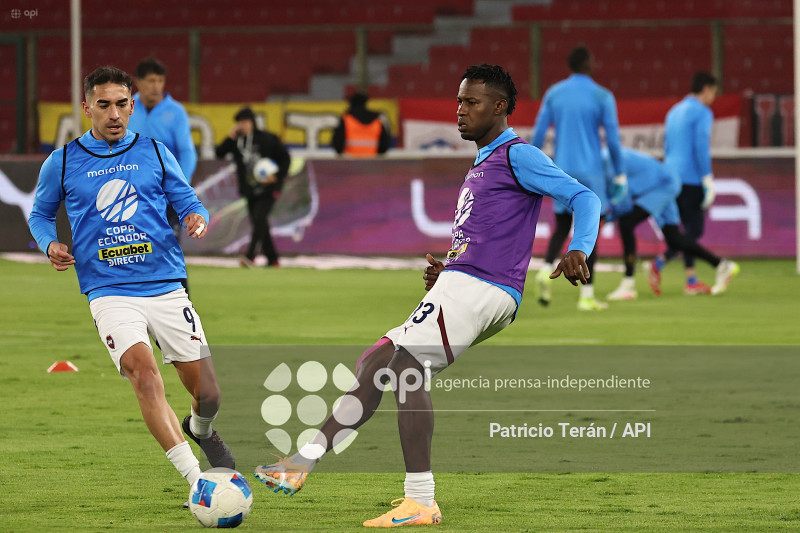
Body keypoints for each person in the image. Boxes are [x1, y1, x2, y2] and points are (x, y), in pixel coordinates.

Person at [254, 64, 601, 527]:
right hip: (468, 281)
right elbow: (489, 230)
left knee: (407, 369)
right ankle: (302, 463)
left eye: (471, 102)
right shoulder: (484, 161)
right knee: (376, 362)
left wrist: (579, 247)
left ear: (499, 107)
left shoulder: (518, 154)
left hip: (484, 286)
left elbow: (586, 198)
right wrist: (450, 267)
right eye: (458, 101)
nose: (460, 110)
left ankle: (420, 499)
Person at [27, 66, 234, 504]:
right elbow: (40, 214)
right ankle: (197, 481)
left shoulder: (154, 151)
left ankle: (201, 428)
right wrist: (49, 244)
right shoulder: (61, 161)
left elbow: (188, 201)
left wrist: (197, 217)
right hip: (109, 291)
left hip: (166, 284)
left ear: (132, 105)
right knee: (144, 374)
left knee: (209, 394)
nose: (114, 114)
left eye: (122, 104)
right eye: (104, 105)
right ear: (87, 108)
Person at [530, 45, 626, 311]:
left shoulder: (554, 93)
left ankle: (545, 269)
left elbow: (539, 133)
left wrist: (530, 164)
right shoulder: (602, 95)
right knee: (588, 232)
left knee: (561, 226)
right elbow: (613, 140)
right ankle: (587, 295)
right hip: (591, 172)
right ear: (588, 64)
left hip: (562, 170)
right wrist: (619, 173)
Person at [603, 147, 739, 300]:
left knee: (627, 223)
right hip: (662, 182)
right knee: (673, 237)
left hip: (664, 184)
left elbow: (623, 202)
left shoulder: (606, 162)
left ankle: (628, 286)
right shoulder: (602, 159)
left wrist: (605, 218)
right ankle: (722, 265)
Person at [128, 57, 197, 293]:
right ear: (138, 82)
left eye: (160, 80)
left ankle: (182, 302)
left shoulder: (175, 112)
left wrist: (179, 188)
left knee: (168, 248)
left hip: (165, 194)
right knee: (133, 250)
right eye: (151, 81)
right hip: (133, 195)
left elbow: (187, 152)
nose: (156, 86)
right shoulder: (127, 108)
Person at [661, 71, 719, 294]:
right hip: (691, 177)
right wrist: (707, 177)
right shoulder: (702, 112)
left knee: (684, 231)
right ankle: (660, 262)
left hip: (671, 175)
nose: (713, 97)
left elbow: (667, 146)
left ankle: (691, 279)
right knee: (694, 230)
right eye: (713, 92)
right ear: (706, 89)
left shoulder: (674, 111)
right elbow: (701, 146)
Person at [216, 107, 290, 268]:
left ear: (252, 122)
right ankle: (273, 259)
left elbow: (285, 158)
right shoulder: (237, 142)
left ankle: (250, 256)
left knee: (259, 219)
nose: (242, 125)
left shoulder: (268, 139)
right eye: (239, 122)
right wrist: (230, 137)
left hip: (269, 188)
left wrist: (277, 176)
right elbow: (219, 153)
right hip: (249, 189)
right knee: (259, 223)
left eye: (245, 121)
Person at [331, 92, 390, 157]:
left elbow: (337, 144)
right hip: (371, 160)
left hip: (349, 160)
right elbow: (384, 145)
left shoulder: (346, 119)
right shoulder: (377, 120)